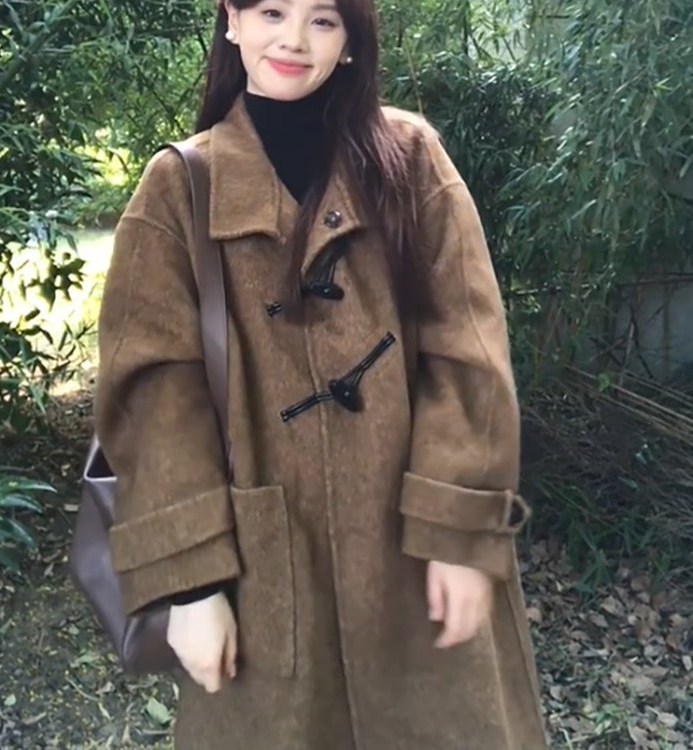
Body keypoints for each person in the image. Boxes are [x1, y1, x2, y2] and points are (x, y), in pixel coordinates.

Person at [94, 0, 548, 748]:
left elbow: (466, 348)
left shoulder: (411, 161)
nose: (295, 39)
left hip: (415, 561)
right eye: (272, 11)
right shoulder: (178, 187)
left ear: (350, 42)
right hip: (262, 574)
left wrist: (458, 528)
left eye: (324, 20)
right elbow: (154, 394)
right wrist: (192, 583)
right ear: (232, 21)